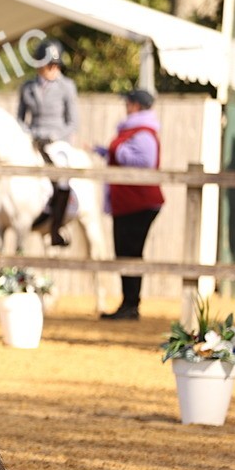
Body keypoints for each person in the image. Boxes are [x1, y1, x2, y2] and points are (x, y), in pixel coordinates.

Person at [94, 89, 163, 320]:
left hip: (138, 202)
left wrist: (117, 151)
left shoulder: (143, 131)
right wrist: (105, 152)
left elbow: (145, 161)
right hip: (128, 202)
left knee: (130, 253)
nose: (126, 106)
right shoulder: (133, 129)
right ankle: (128, 304)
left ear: (136, 105)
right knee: (125, 252)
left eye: (129, 102)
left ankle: (131, 305)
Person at [17, 38, 80, 246]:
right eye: (49, 65)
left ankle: (56, 228)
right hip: (33, 140)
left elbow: (73, 122)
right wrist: (29, 134)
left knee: (61, 177)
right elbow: (20, 119)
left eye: (55, 65)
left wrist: (55, 136)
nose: (53, 69)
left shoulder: (67, 87)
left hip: (57, 141)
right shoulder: (27, 87)